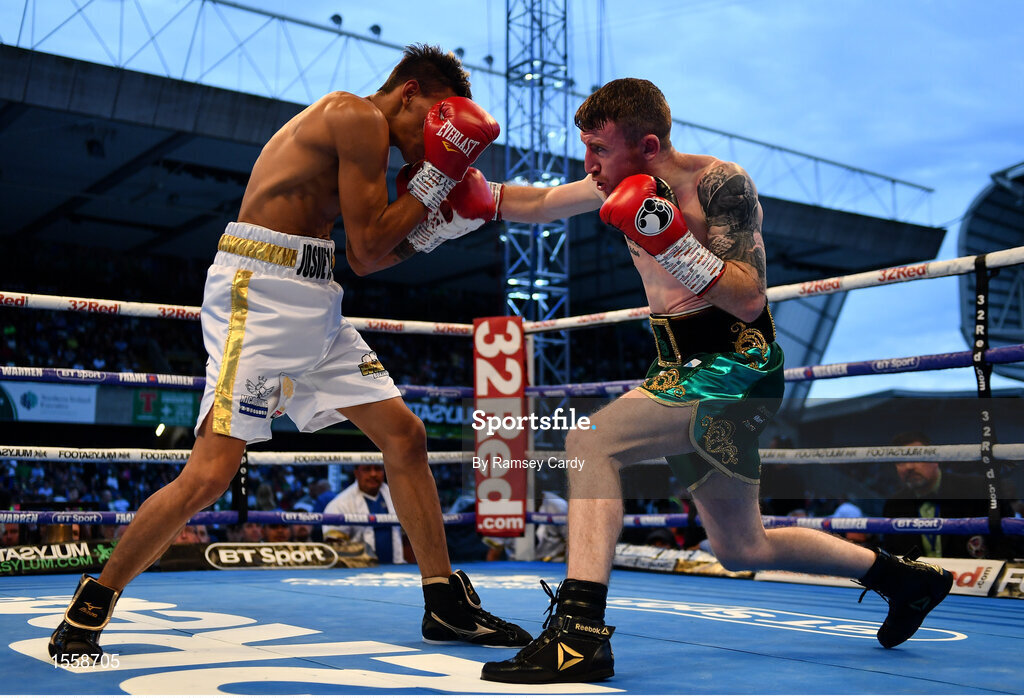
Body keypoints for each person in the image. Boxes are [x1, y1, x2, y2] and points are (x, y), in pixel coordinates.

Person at [411, 78, 953, 683]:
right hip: (677, 366)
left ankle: (578, 634)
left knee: (590, 441)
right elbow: (538, 204)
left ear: (646, 145)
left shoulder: (722, 184)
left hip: (735, 364)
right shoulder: (608, 182)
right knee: (742, 547)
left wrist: (671, 242)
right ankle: (905, 578)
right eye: (586, 149)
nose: (589, 165)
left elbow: (749, 300)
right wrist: (470, 193)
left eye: (599, 149)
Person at [49, 43, 529, 662]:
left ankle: (443, 602)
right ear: (409, 91)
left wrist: (436, 228)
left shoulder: (373, 146)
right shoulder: (354, 115)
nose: (437, 134)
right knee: (210, 474)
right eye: (436, 116)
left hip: (316, 298)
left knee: (405, 437)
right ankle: (92, 605)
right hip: (260, 293)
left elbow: (365, 259)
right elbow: (370, 241)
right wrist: (439, 179)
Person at [882, 431, 1003, 559]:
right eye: (900, 461)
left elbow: (1006, 542)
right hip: (920, 577)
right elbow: (892, 555)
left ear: (935, 459)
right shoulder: (894, 505)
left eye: (916, 457)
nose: (909, 466)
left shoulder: (976, 489)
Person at [323, 464, 405, 564]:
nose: (373, 474)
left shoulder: (398, 496)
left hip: (397, 569)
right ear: (356, 473)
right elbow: (334, 547)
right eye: (367, 469)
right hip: (359, 573)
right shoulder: (340, 504)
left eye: (378, 469)